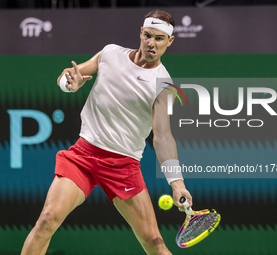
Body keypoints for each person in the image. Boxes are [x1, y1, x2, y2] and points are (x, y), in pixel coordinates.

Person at [21, 10, 192, 255]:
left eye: (159, 38)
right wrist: (69, 84)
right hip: (83, 155)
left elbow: (163, 137)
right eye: (148, 36)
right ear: (140, 34)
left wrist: (177, 184)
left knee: (153, 242)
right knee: (47, 220)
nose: (152, 43)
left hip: (123, 165)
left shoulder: (163, 85)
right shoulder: (110, 53)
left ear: (170, 41)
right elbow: (69, 75)